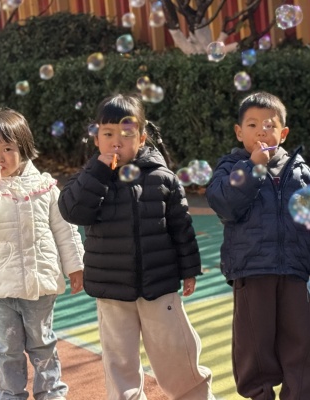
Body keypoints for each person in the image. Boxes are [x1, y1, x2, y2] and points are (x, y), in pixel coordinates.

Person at [58, 94, 213, 400]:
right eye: (108, 134)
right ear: (96, 138)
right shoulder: (90, 178)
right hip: (112, 290)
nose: (116, 141)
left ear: (142, 138)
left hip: (160, 285)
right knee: (120, 363)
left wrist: (189, 269)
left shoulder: (162, 177)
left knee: (177, 355)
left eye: (126, 134)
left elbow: (181, 227)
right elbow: (73, 212)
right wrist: (98, 173)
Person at [205, 91, 310, 400]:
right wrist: (252, 167)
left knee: (303, 341)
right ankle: (260, 394)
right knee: (254, 344)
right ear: (239, 132)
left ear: (283, 133)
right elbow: (225, 204)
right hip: (252, 271)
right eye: (252, 125)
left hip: (293, 271)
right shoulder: (231, 167)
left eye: (269, 125)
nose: (261, 132)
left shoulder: (300, 171)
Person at [0, 108, 85, 400]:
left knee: (42, 343)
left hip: (39, 284)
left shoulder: (45, 187)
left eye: (7, 149)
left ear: (23, 149)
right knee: (9, 348)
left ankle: (51, 392)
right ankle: (10, 395)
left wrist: (75, 266)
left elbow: (65, 229)